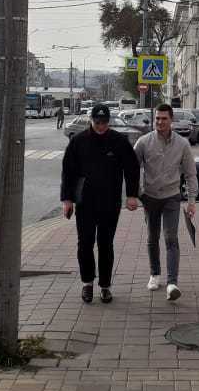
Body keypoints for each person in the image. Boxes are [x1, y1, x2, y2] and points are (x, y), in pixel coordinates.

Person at [60, 103, 140, 304]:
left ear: (108, 121)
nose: (101, 126)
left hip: (110, 202)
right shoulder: (78, 141)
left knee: (105, 244)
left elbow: (132, 168)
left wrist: (132, 195)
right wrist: (67, 200)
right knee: (85, 243)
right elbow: (68, 172)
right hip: (85, 202)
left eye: (104, 122)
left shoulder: (118, 141)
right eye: (98, 122)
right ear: (91, 121)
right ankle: (87, 283)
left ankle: (105, 286)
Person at [133, 104, 198, 302]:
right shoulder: (144, 142)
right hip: (150, 197)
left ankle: (172, 283)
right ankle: (154, 274)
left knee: (171, 238)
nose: (160, 122)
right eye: (157, 118)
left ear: (172, 120)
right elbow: (132, 169)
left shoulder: (182, 144)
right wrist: (136, 194)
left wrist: (192, 201)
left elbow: (191, 173)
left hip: (171, 197)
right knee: (152, 237)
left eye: (164, 119)